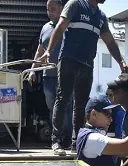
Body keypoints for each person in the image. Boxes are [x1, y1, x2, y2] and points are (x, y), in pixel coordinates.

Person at [39, 0, 128, 156]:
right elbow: (60, 27)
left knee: (81, 105)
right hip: (68, 60)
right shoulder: (75, 4)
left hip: (87, 64)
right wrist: (49, 50)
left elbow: (109, 42)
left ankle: (77, 142)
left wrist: (120, 61)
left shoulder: (101, 16)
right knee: (63, 98)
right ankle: (56, 140)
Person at [29, 0, 73, 149]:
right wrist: (33, 69)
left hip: (67, 75)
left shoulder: (70, 25)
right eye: (48, 10)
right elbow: (39, 51)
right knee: (52, 108)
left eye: (53, 9)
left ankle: (66, 140)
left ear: (62, 8)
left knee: (66, 108)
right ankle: (56, 140)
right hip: (49, 76)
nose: (50, 12)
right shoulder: (45, 28)